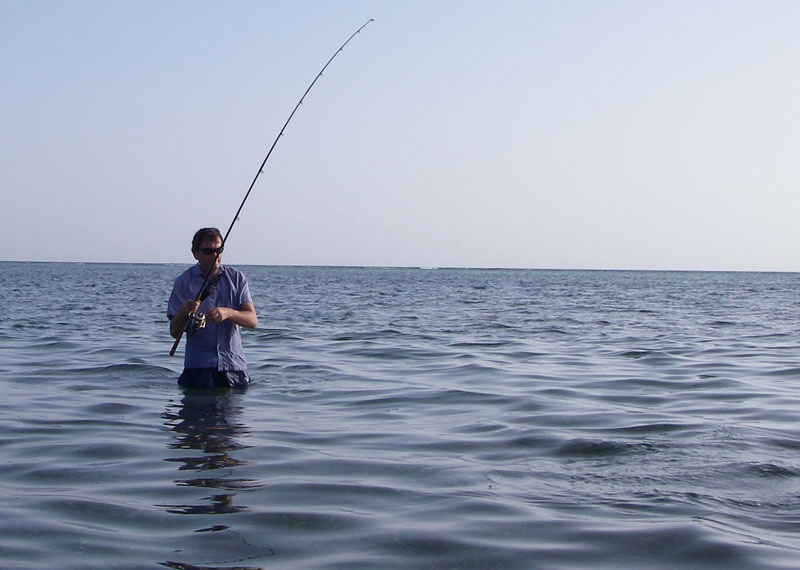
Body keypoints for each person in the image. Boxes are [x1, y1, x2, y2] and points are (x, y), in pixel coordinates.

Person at [168, 227, 258, 388]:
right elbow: (174, 332)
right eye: (208, 251)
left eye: (219, 250)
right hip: (197, 369)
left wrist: (228, 313)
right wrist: (184, 311)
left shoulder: (237, 278)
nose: (215, 256)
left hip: (233, 368)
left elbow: (252, 321)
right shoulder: (183, 281)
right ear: (195, 253)